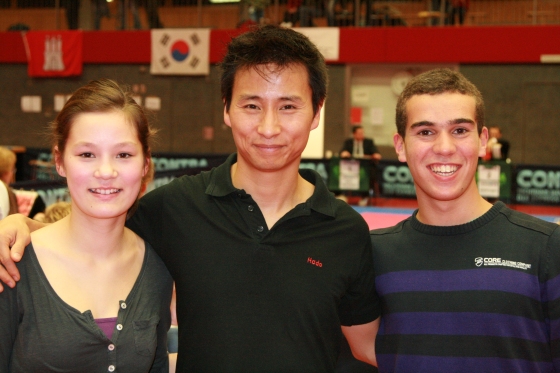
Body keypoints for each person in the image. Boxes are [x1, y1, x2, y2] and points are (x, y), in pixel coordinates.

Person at [0, 25, 378, 372]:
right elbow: (95, 227)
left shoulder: (346, 230)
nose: (268, 127)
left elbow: (367, 348)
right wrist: (21, 226)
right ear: (226, 109)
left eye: (288, 106)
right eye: (251, 105)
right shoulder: (174, 208)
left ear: (316, 111)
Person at [370, 68, 560, 372]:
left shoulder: (547, 249)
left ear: (483, 141)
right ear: (400, 146)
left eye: (459, 130)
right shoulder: (370, 255)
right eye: (425, 132)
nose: (444, 148)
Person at [0, 79, 173, 372]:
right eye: (87, 154)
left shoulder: (156, 265)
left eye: (123, 154)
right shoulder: (15, 263)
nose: (106, 172)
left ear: (145, 165)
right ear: (60, 162)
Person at [340, 125, 382, 202]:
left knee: (371, 173)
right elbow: (342, 152)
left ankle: (365, 197)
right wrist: (344, 153)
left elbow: (376, 153)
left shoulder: (369, 142)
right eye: (359, 133)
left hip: (366, 168)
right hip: (351, 168)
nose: (362, 134)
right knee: (341, 172)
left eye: (363, 133)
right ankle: (342, 195)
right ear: (354, 134)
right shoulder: (348, 142)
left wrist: (375, 154)